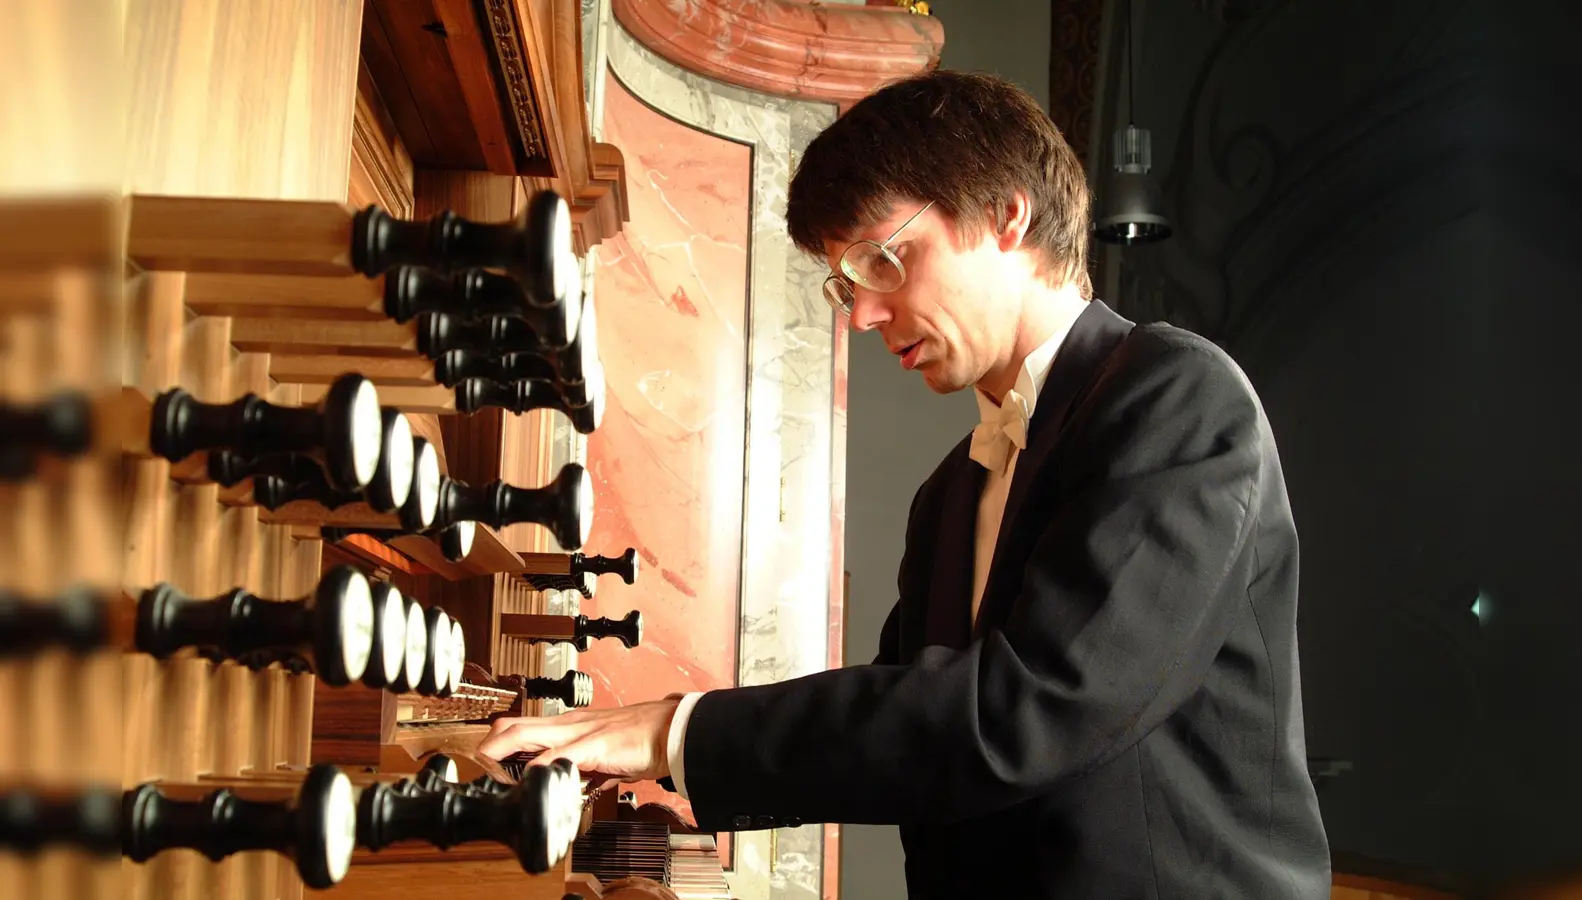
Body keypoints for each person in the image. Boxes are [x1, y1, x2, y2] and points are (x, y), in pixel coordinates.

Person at [477, 70, 1332, 899]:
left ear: (1005, 216)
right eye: (845, 282)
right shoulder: (949, 494)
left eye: (885, 260)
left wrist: (674, 731)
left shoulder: (1174, 394)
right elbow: (907, 738)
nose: (863, 314)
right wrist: (663, 763)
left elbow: (1031, 712)